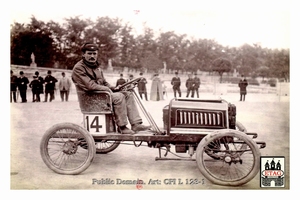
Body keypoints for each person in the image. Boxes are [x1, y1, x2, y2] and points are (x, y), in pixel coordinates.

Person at [71, 42, 150, 135]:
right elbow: (90, 86)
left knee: (128, 94)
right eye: (89, 53)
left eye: (94, 53)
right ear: (83, 54)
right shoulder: (79, 68)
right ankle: (122, 127)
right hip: (90, 99)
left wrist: (114, 88)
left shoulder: (96, 67)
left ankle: (136, 124)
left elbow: (104, 83)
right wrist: (108, 90)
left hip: (100, 96)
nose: (92, 56)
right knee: (119, 97)